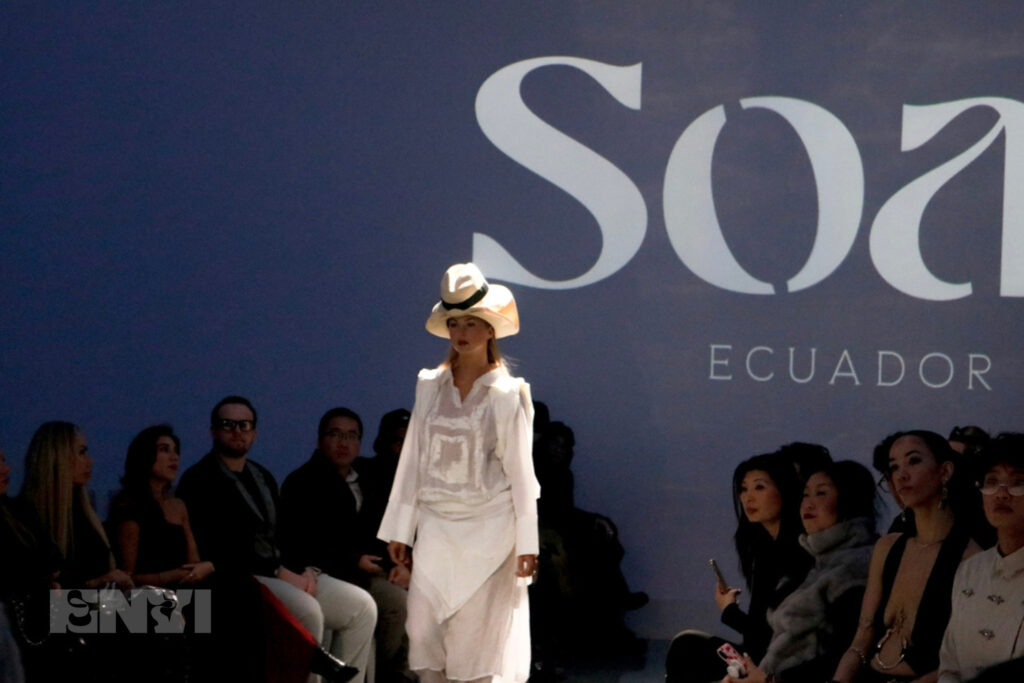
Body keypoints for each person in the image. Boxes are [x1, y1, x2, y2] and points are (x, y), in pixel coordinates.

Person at [377, 262, 539, 683]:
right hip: (436, 530)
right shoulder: (430, 385)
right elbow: (413, 459)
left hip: (490, 533)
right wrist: (401, 529)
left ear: (490, 328)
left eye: (471, 322)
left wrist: (528, 542)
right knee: (423, 633)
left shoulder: (505, 394)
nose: (461, 332)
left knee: (475, 646)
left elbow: (522, 475)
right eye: (454, 322)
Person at [176, 396, 373, 683]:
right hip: (238, 576)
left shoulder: (262, 476)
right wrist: (281, 571)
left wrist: (305, 569)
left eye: (244, 425)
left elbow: (284, 533)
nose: (237, 431)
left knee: (361, 606)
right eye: (228, 424)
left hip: (282, 568)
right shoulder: (199, 479)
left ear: (254, 433)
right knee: (308, 611)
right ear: (214, 431)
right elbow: (220, 545)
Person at [831, 430, 981, 683]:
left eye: (913, 461)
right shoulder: (888, 547)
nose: (901, 475)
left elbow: (966, 659)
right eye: (894, 467)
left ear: (945, 471)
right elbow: (861, 639)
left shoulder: (971, 559)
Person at [280, 407, 413, 683]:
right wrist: (353, 559)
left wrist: (398, 563)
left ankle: (400, 675)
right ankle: (386, 675)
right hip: (321, 572)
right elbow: (302, 540)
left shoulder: (367, 479)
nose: (344, 443)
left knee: (416, 594)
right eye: (336, 434)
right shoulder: (303, 481)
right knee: (391, 602)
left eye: (351, 436)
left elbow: (382, 532)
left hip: (364, 570)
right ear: (320, 440)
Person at [722, 460, 878, 682]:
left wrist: (767, 678)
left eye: (821, 493)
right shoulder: (817, 562)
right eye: (806, 495)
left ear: (849, 500)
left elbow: (842, 654)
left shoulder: (852, 567)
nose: (808, 504)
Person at [666, 450, 813, 682]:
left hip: (779, 667)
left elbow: (771, 635)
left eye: (759, 487)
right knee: (686, 645)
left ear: (784, 490)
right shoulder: (764, 548)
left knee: (687, 648)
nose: (748, 498)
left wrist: (729, 611)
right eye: (743, 489)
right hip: (757, 657)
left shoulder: (797, 551)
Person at [938, 433, 1024, 682]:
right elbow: (949, 664)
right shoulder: (970, 569)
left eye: (1018, 482)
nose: (1002, 493)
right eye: (992, 481)